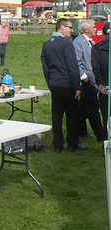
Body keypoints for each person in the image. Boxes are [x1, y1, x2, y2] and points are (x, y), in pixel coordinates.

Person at [41, 18, 87, 153]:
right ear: (61, 27)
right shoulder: (67, 43)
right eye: (69, 27)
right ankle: (73, 144)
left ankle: (58, 145)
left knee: (56, 115)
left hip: (54, 84)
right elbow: (72, 67)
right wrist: (77, 87)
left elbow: (45, 67)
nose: (71, 30)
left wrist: (49, 82)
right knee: (71, 115)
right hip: (67, 84)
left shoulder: (47, 44)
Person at [73, 19, 105, 141]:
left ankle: (80, 129)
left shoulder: (90, 41)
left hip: (94, 78)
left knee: (84, 107)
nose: (95, 28)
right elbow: (76, 61)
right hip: (88, 80)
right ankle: (101, 135)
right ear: (86, 30)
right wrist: (83, 76)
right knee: (93, 107)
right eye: (93, 27)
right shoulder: (78, 42)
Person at [92, 22, 110, 135]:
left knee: (106, 116)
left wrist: (102, 87)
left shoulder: (96, 48)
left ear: (103, 34)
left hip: (105, 88)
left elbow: (95, 70)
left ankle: (107, 143)